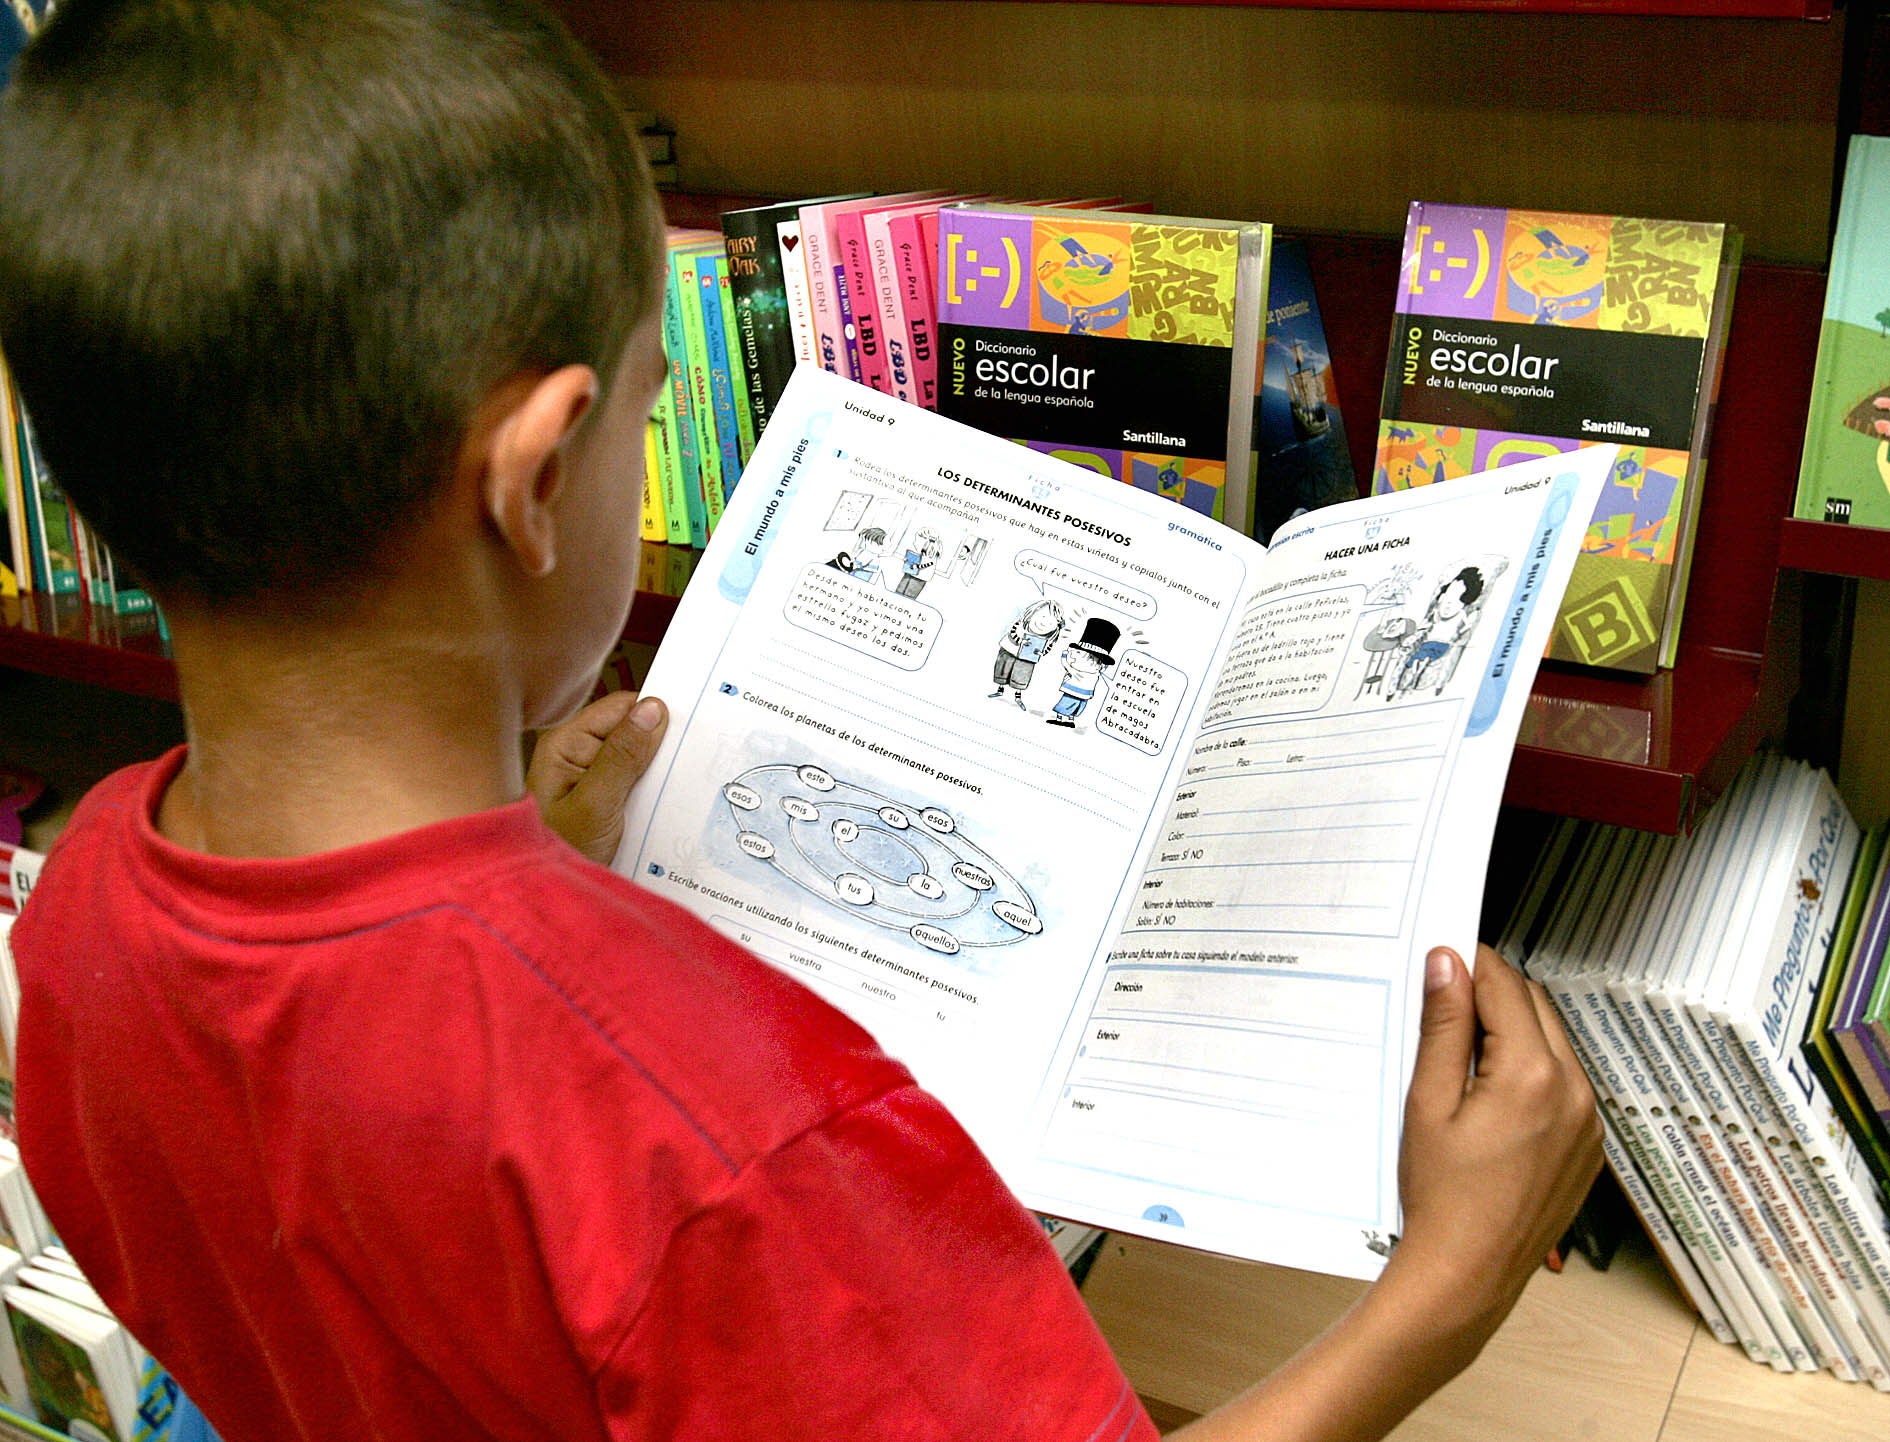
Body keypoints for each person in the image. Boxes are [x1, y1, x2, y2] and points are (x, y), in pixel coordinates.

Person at [0, 4, 1602, 1440]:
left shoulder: (72, 920)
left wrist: (530, 861)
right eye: (645, 401)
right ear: (540, 475)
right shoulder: (725, 1137)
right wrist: (1438, 1295)